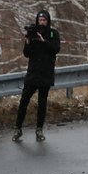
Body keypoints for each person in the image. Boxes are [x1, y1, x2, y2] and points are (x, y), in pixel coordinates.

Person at [14, 9, 61, 142]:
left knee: (42, 103)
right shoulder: (33, 33)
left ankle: (39, 129)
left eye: (44, 20)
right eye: (40, 20)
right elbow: (26, 53)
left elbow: (56, 49)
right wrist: (28, 41)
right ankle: (18, 128)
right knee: (24, 100)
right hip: (33, 73)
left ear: (48, 21)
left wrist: (43, 41)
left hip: (46, 73)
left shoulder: (53, 34)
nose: (42, 22)